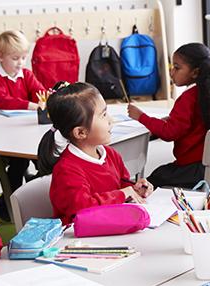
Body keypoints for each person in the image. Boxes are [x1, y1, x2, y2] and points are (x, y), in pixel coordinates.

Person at [127, 43, 210, 188]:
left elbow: (170, 133)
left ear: (195, 73)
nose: (172, 72)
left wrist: (141, 116)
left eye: (177, 68)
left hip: (195, 171)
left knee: (152, 180)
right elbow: (193, 122)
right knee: (162, 173)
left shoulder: (188, 98)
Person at [36, 82, 153, 224]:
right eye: (103, 115)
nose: (111, 120)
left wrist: (134, 189)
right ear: (81, 132)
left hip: (109, 224)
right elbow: (82, 208)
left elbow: (120, 184)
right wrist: (122, 194)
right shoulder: (67, 170)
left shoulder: (110, 154)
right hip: (77, 238)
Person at [0, 30, 47, 221]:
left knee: (45, 158)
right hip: (5, 137)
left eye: (23, 57)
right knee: (18, 164)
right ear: (0, 56)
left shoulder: (26, 74)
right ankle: (8, 202)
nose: (20, 62)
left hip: (27, 134)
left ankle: (34, 193)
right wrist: (30, 104)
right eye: (15, 58)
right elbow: (1, 100)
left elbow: (40, 93)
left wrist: (46, 99)